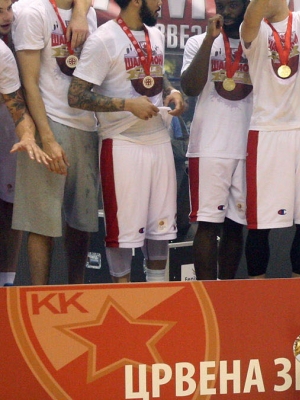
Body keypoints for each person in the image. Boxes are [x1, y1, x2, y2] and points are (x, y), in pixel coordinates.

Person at [68, 0, 186, 283]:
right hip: (121, 142)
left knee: (160, 229)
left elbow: (156, 74)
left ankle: (157, 293)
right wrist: (127, 104)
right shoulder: (104, 39)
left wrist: (172, 91)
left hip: (159, 139)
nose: (160, 4)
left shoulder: (155, 34)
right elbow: (76, 95)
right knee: (122, 233)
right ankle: (124, 296)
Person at [238, 0, 300, 278]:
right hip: (268, 132)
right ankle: (256, 289)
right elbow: (251, 17)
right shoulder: (253, 27)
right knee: (260, 224)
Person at [11, 0, 95, 285]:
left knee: (81, 223)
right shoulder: (32, 11)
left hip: (86, 124)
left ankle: (77, 292)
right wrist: (46, 138)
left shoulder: (89, 13)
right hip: (48, 120)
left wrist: (81, 13)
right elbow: (29, 82)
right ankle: (38, 296)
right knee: (41, 221)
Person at [179, 0, 252, 280]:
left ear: (247, 6)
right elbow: (190, 87)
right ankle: (207, 293)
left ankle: (226, 293)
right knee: (207, 225)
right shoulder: (198, 42)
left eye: (233, 5)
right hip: (209, 145)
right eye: (221, 4)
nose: (227, 11)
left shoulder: (257, 43)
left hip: (248, 146)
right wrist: (209, 41)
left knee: (235, 226)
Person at [0, 12, 45, 286]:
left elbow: (17, 109)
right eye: (0, 10)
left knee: (9, 205)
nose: (7, 16)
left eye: (8, 7)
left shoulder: (3, 54)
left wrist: (28, 135)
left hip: (6, 131)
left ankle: (5, 285)